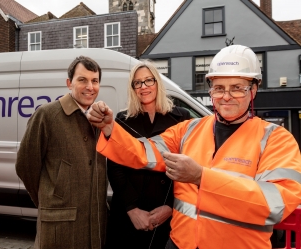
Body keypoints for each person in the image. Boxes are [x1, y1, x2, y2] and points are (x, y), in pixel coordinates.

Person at [87, 45, 301, 249]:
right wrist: (110, 128)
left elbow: (277, 204)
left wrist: (202, 177)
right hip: (180, 243)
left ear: (253, 90)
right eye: (219, 88)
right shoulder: (188, 129)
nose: (226, 96)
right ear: (210, 91)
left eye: (237, 88)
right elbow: (143, 153)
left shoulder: (276, 139)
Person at [15, 56, 107, 249]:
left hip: (94, 226)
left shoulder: (101, 119)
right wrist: (50, 198)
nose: (90, 86)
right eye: (82, 80)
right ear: (69, 83)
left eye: (95, 81)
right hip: (59, 227)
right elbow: (25, 166)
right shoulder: (47, 115)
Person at [106, 61, 190, 249]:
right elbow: (114, 167)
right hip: (129, 212)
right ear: (133, 88)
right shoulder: (122, 120)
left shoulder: (182, 118)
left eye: (148, 80)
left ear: (157, 82)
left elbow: (188, 169)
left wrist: (170, 206)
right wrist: (132, 209)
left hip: (167, 213)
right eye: (138, 83)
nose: (144, 87)